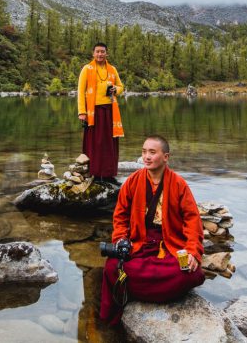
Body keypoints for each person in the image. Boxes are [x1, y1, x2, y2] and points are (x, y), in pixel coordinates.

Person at [99, 135, 205, 325]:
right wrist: (121, 240)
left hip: (169, 240)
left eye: (152, 152)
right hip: (141, 239)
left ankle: (135, 291)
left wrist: (193, 251)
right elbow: (120, 216)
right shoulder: (132, 181)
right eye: (144, 152)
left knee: (192, 273)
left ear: (166, 157)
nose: (146, 157)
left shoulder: (179, 184)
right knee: (112, 267)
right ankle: (121, 312)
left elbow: (192, 220)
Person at [77, 42, 125, 183]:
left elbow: (121, 87)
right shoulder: (87, 69)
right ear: (93, 53)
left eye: (102, 51)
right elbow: (80, 91)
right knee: (95, 143)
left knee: (109, 143)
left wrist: (115, 89)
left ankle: (109, 174)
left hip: (110, 111)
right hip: (93, 112)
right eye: (97, 51)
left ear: (106, 53)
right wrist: (82, 112)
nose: (100, 54)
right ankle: (96, 173)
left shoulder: (112, 69)